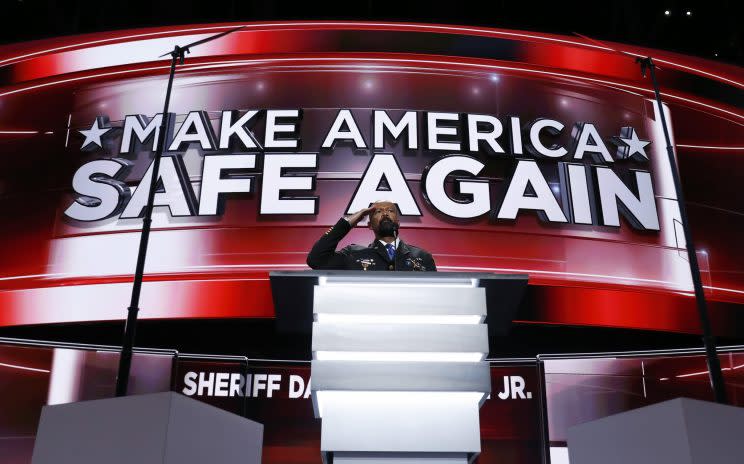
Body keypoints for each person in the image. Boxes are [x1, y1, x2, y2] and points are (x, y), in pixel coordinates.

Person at [307, 201, 436, 271]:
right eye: (378, 211)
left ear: (398, 223)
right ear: (369, 225)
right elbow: (316, 260)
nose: (385, 213)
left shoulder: (422, 257)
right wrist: (351, 221)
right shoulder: (353, 254)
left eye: (390, 211)